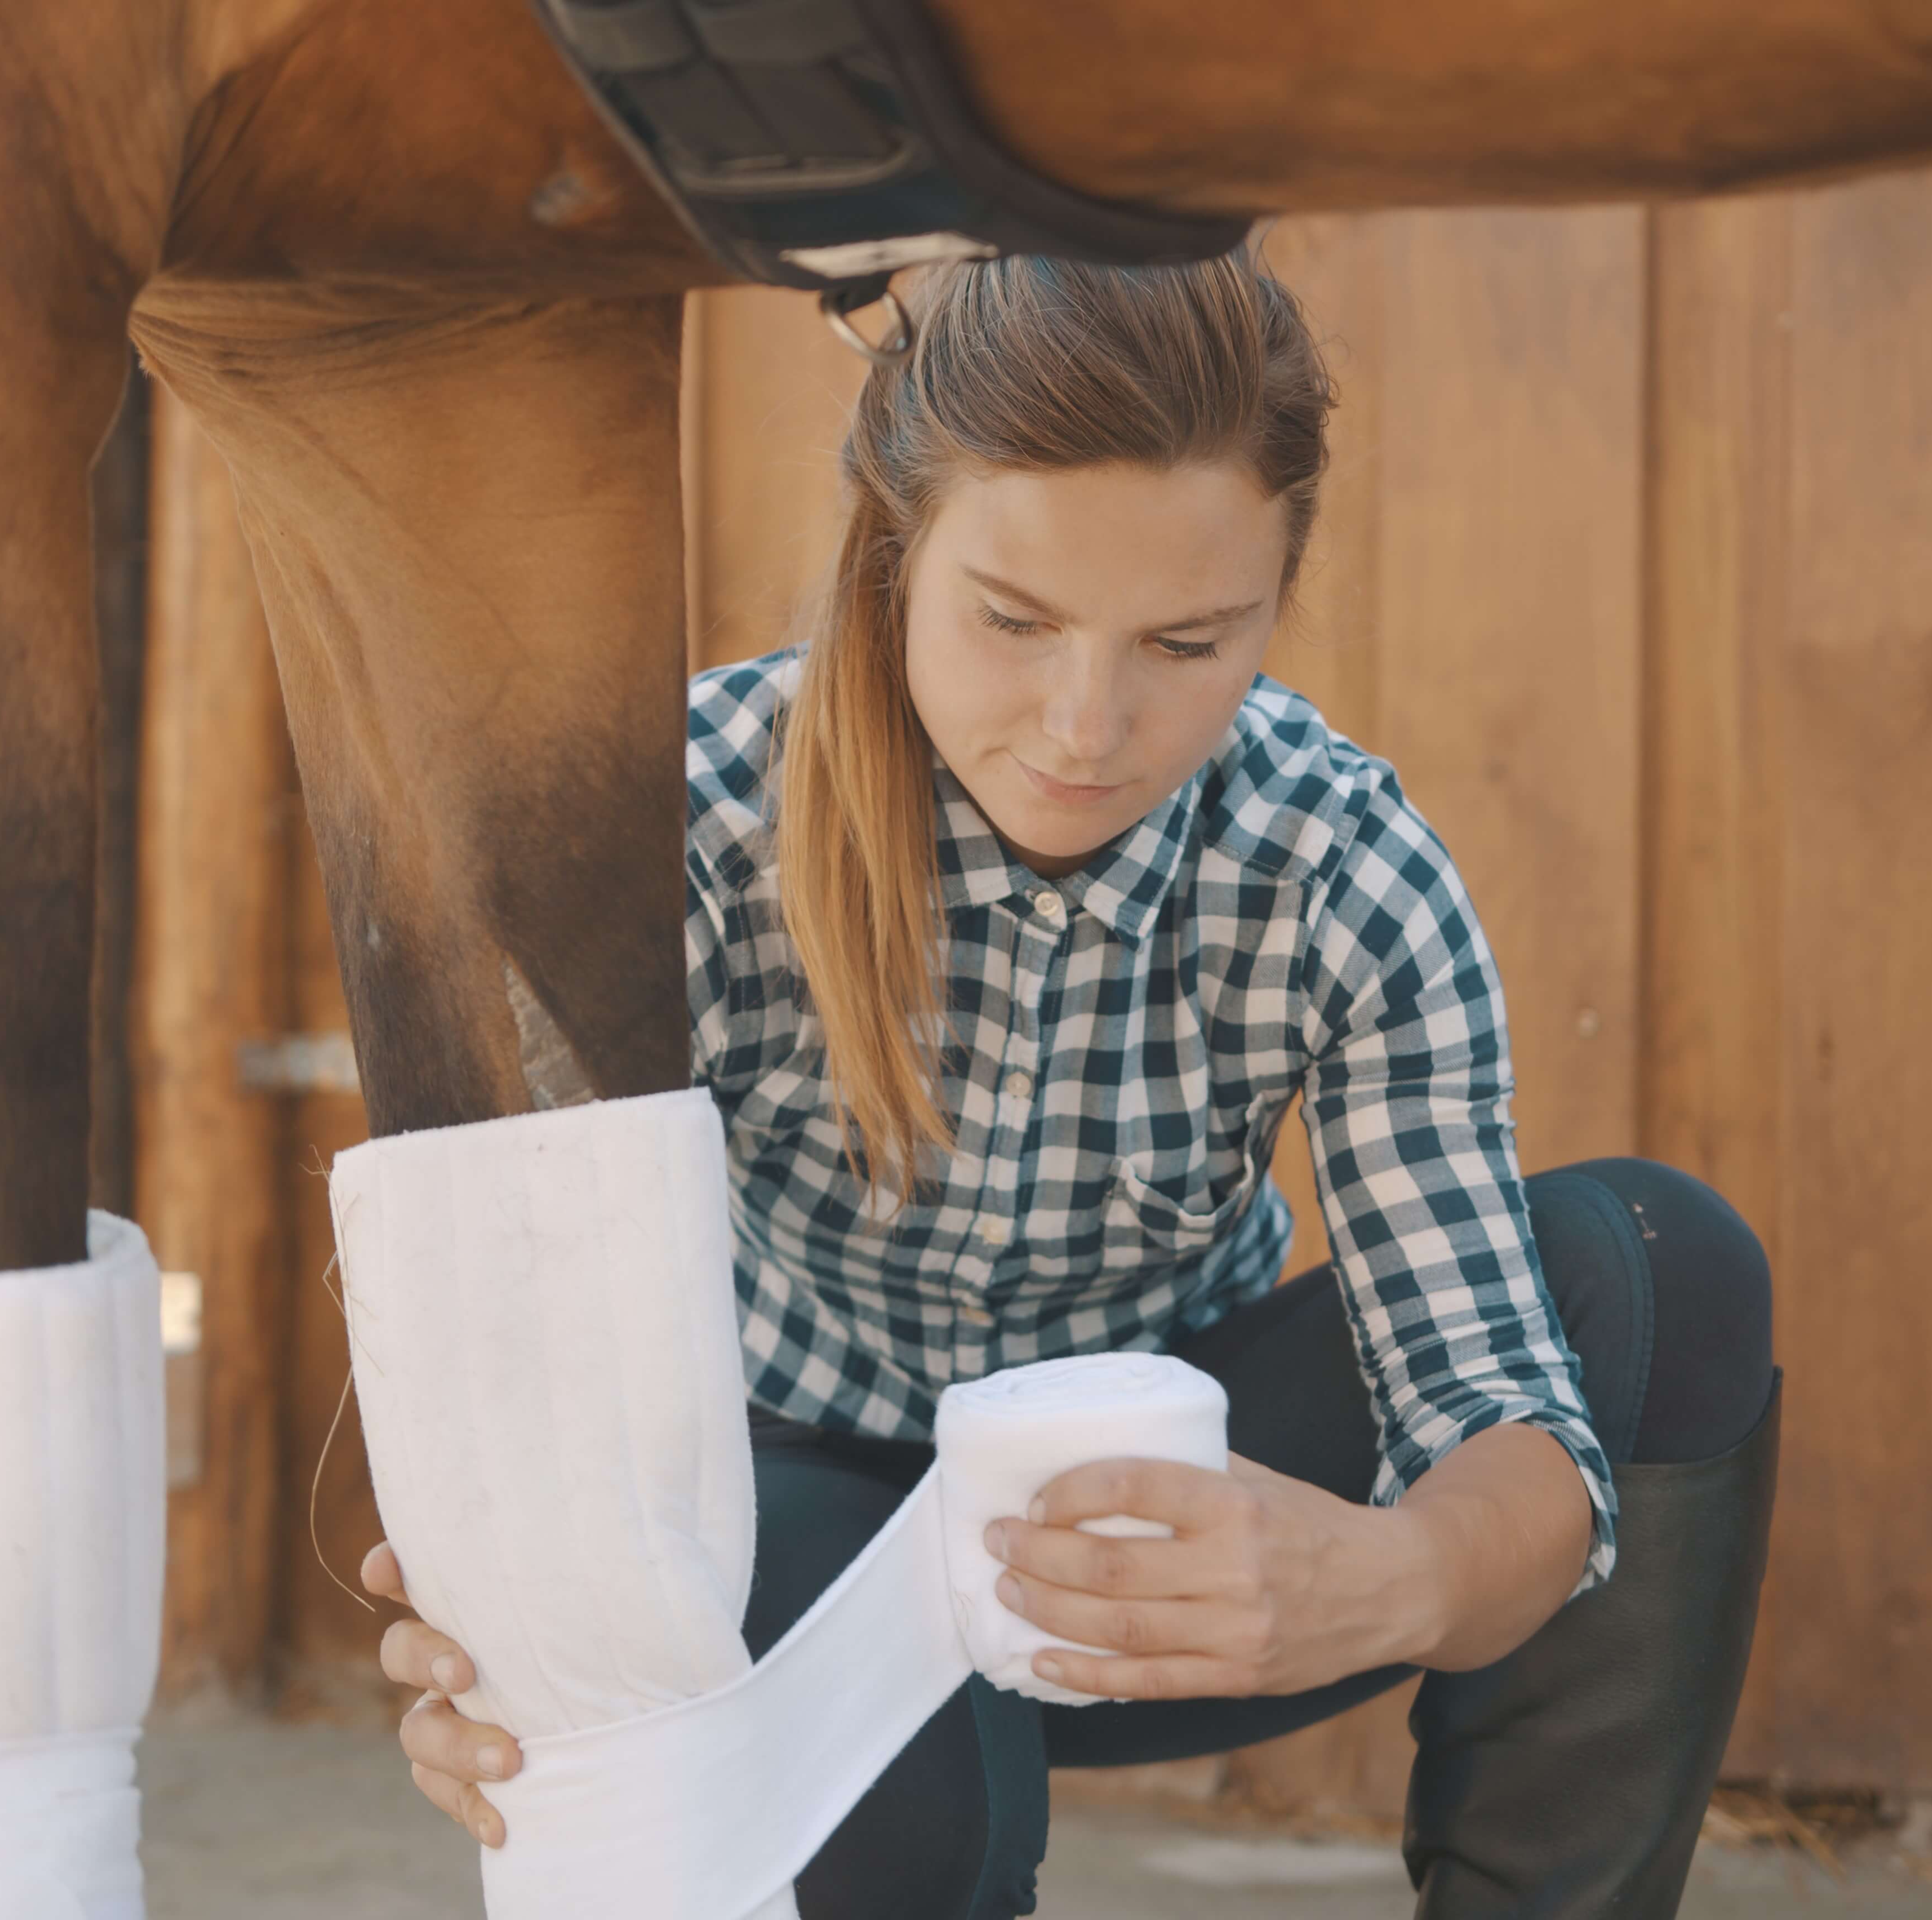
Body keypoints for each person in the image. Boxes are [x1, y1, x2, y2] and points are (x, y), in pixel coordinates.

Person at [360, 251, 1780, 1919]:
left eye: (1186, 639)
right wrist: (505, 1645)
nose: (1084, 725)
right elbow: (521, 1379)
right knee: (878, 1775)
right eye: (1011, 622)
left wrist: (1387, 1578)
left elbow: (1495, 1402)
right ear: (893, 554)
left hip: (1168, 1537)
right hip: (786, 1526)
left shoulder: (1338, 864)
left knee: (1658, 1260)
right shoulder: (680, 825)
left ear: (1277, 590)